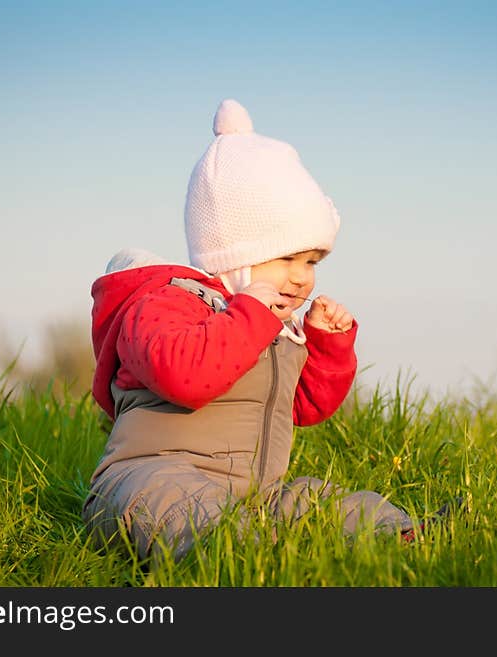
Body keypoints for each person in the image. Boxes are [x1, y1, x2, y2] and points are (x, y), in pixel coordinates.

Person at [82, 99, 416, 562]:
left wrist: (324, 345)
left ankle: (399, 535)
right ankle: (231, 555)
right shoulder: (166, 302)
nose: (302, 277)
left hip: (252, 495)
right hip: (147, 477)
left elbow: (306, 406)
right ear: (234, 255)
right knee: (183, 508)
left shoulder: (270, 325)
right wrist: (252, 317)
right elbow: (184, 377)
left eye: (312, 262)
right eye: (286, 258)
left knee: (314, 501)